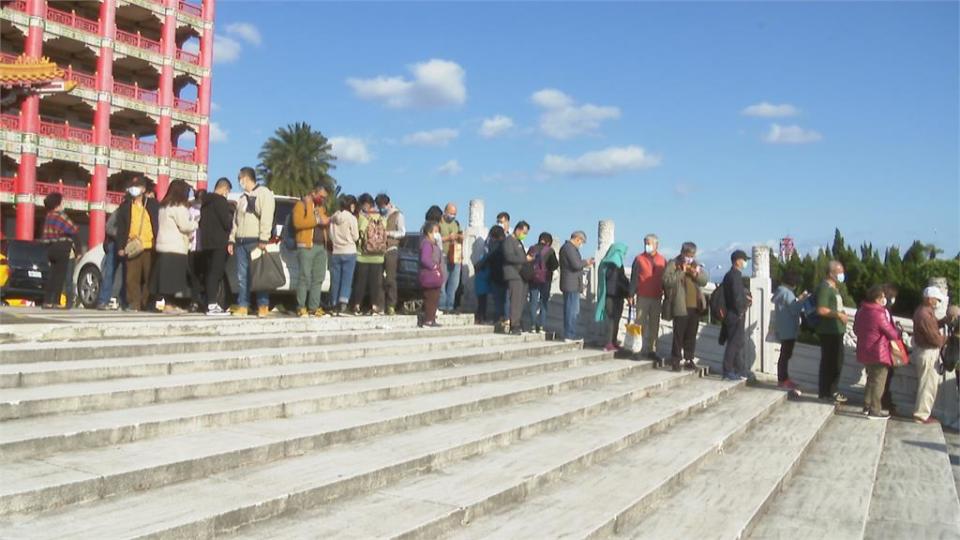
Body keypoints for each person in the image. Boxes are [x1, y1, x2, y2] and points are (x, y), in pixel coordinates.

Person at [227, 167, 275, 318]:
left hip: (256, 240)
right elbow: (236, 221)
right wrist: (231, 239)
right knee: (243, 276)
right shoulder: (241, 198)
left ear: (246, 178)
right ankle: (243, 305)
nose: (239, 181)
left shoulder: (264, 193)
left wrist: (264, 238)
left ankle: (263, 305)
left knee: (259, 275)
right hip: (241, 241)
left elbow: (267, 216)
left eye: (240, 178)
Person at [151, 180, 197, 314]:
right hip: (175, 246)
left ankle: (168, 303)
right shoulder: (179, 207)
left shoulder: (163, 206)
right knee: (173, 278)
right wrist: (195, 223)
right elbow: (185, 225)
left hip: (163, 244)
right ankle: (169, 305)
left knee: (165, 278)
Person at [853, 285, 899, 419]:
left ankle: (866, 406)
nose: (885, 299)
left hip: (864, 350)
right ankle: (875, 410)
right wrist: (898, 332)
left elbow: (856, 329)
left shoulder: (862, 310)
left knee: (870, 379)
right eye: (883, 297)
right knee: (879, 381)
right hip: (879, 351)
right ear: (878, 298)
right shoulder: (879, 313)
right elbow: (891, 333)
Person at [662, 242, 709, 372]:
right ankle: (676, 360)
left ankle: (689, 359)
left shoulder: (695, 264)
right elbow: (666, 280)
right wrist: (681, 272)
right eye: (688, 255)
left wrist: (696, 274)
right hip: (680, 304)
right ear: (682, 253)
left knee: (691, 334)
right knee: (678, 334)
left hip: (695, 305)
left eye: (692, 255)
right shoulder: (673, 263)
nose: (690, 257)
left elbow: (704, 281)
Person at [116, 177, 160, 312]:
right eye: (133, 186)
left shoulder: (152, 204)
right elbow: (121, 228)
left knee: (149, 277)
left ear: (143, 189)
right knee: (132, 277)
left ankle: (147, 303)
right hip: (133, 246)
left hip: (150, 246)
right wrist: (120, 247)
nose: (134, 189)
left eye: (137, 186)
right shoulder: (125, 207)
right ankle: (133, 303)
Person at [912, 286, 952, 424]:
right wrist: (950, 339)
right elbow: (934, 338)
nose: (938, 302)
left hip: (925, 351)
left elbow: (932, 327)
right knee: (927, 386)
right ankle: (921, 415)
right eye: (937, 299)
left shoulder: (923, 312)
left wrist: (944, 321)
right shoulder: (925, 314)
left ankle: (922, 414)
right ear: (929, 299)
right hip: (928, 352)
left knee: (926, 384)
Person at [292, 181, 331, 317]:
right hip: (306, 246)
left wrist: (327, 221)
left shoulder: (321, 207)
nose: (323, 199)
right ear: (314, 192)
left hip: (321, 247)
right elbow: (298, 223)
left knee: (318, 278)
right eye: (321, 196)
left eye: (325, 197)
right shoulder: (301, 205)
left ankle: (314, 307)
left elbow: (325, 220)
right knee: (304, 277)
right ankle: (300, 306)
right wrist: (317, 220)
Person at [814, 260, 850, 403]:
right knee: (829, 362)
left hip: (837, 330)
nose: (842, 275)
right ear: (831, 273)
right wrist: (838, 315)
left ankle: (832, 390)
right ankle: (825, 392)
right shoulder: (825, 288)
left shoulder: (834, 288)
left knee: (837, 362)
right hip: (828, 331)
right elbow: (821, 309)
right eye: (839, 272)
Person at [630, 234, 667, 361]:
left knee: (654, 325)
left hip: (657, 297)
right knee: (639, 324)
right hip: (642, 296)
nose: (647, 245)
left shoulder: (663, 260)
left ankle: (652, 349)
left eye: (649, 243)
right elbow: (634, 278)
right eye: (645, 243)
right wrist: (631, 294)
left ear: (656, 245)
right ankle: (636, 350)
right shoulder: (639, 259)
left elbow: (665, 280)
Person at [200, 177, 233, 316]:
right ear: (224, 189)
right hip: (219, 242)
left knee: (209, 273)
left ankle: (210, 302)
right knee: (216, 273)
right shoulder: (221, 201)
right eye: (228, 191)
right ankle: (212, 304)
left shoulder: (205, 202)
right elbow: (226, 223)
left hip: (207, 242)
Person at [39, 193, 78, 309]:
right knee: (60, 276)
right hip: (62, 249)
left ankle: (47, 301)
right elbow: (72, 230)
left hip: (51, 249)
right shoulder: (60, 216)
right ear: (57, 204)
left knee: (52, 275)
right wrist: (78, 250)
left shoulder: (48, 216)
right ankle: (55, 301)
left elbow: (46, 236)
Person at [772, 271, 808, 391]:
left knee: (784, 355)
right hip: (788, 329)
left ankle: (783, 379)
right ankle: (783, 380)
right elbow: (794, 309)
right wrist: (802, 299)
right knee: (785, 355)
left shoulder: (780, 292)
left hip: (782, 328)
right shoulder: (787, 293)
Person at [351, 193, 386, 315]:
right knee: (375, 284)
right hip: (378, 256)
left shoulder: (362, 217)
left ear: (365, 204)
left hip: (363, 255)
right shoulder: (382, 217)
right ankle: (375, 306)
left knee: (360, 282)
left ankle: (357, 306)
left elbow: (359, 233)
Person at [720, 250, 752, 380]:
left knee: (737, 342)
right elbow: (736, 296)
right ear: (738, 260)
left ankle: (738, 369)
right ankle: (727, 370)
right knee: (734, 343)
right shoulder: (735, 276)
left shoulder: (731, 275)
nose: (745, 263)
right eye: (744, 260)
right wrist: (742, 309)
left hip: (732, 313)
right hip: (735, 314)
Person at [595, 242, 631, 352]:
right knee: (612, 320)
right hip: (614, 295)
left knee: (614, 320)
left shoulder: (606, 261)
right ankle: (609, 342)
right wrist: (628, 292)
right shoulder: (615, 262)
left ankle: (613, 341)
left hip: (609, 295)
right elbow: (617, 281)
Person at [559, 231, 594, 342]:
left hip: (572, 283)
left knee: (571, 310)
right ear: (577, 239)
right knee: (571, 311)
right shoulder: (569, 248)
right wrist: (586, 262)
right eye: (581, 242)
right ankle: (569, 335)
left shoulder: (568, 248)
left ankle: (570, 334)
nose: (581, 244)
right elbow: (576, 264)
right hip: (571, 284)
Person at [329, 194, 359, 315]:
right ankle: (343, 305)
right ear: (351, 205)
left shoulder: (334, 217)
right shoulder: (351, 218)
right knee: (347, 279)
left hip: (336, 251)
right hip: (349, 251)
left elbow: (331, 235)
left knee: (335, 279)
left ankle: (333, 303)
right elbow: (356, 236)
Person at [377, 193, 406, 315]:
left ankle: (391, 305)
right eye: (379, 206)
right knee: (378, 280)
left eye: (383, 206)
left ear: (388, 204)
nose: (381, 208)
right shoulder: (377, 215)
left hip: (391, 249)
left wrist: (389, 233)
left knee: (390, 279)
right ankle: (379, 306)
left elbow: (402, 232)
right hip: (378, 250)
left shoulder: (397, 214)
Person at [502, 221, 532, 335]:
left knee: (520, 301)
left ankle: (517, 322)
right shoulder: (509, 241)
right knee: (515, 301)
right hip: (513, 274)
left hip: (522, 275)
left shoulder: (519, 242)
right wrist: (525, 259)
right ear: (518, 229)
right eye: (523, 232)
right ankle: (514, 324)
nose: (524, 235)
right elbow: (509, 256)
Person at [527, 232, 560, 334]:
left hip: (533, 279)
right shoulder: (550, 251)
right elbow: (555, 265)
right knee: (543, 302)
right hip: (546, 279)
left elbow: (527, 262)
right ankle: (541, 326)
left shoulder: (532, 248)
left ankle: (532, 326)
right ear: (549, 242)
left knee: (533, 301)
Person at [474, 225, 505, 325]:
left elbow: (487, 258)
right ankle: (492, 318)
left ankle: (482, 317)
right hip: (496, 275)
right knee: (498, 300)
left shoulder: (492, 245)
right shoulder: (501, 244)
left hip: (491, 275)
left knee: (486, 300)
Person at [879, 283, 901, 413]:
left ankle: (882, 401)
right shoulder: (884, 311)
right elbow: (888, 330)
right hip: (883, 349)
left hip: (880, 349)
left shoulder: (883, 309)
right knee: (883, 378)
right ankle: (882, 402)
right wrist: (896, 332)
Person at [95, 208, 123, 310]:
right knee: (109, 273)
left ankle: (119, 300)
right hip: (114, 244)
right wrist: (121, 235)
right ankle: (103, 300)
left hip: (126, 245)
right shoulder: (119, 211)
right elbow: (108, 227)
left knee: (122, 274)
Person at [418, 221, 444, 327]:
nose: (437, 234)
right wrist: (434, 267)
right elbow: (425, 259)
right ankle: (428, 320)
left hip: (435, 277)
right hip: (429, 276)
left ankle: (432, 319)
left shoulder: (434, 245)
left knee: (434, 299)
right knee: (430, 299)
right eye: (435, 232)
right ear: (429, 233)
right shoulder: (426, 244)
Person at [438, 203, 463, 313]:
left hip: (455, 255)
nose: (452, 216)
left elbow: (461, 236)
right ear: (445, 211)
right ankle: (442, 305)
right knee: (442, 282)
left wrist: (460, 237)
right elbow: (436, 238)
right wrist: (448, 237)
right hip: (443, 255)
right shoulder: (439, 223)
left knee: (454, 282)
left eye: (454, 214)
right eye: (451, 213)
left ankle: (450, 306)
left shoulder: (456, 223)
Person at [186, 189, 205, 312]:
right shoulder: (192, 209)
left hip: (196, 246)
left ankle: (195, 301)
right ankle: (196, 301)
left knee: (196, 277)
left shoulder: (191, 209)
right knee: (196, 276)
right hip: (196, 246)